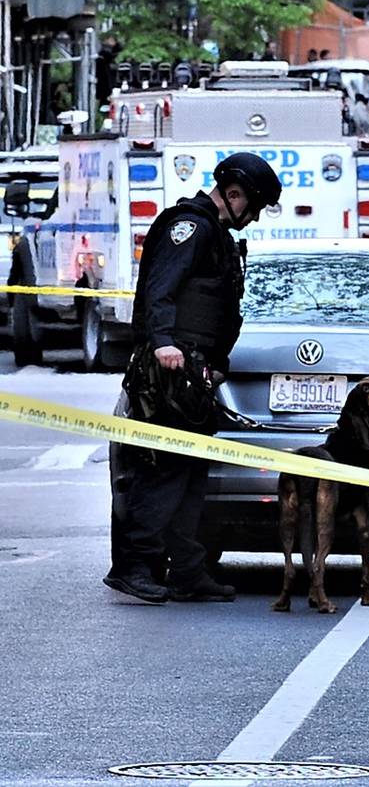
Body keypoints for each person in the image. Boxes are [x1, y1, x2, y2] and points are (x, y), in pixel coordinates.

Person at [105, 153, 282, 604]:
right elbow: (160, 288)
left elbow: (219, 308)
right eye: (255, 206)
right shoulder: (190, 227)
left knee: (190, 475)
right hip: (170, 367)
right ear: (235, 194)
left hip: (194, 370)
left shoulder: (216, 235)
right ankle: (135, 565)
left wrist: (215, 361)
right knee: (163, 470)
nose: (255, 217)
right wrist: (163, 341)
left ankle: (186, 570)